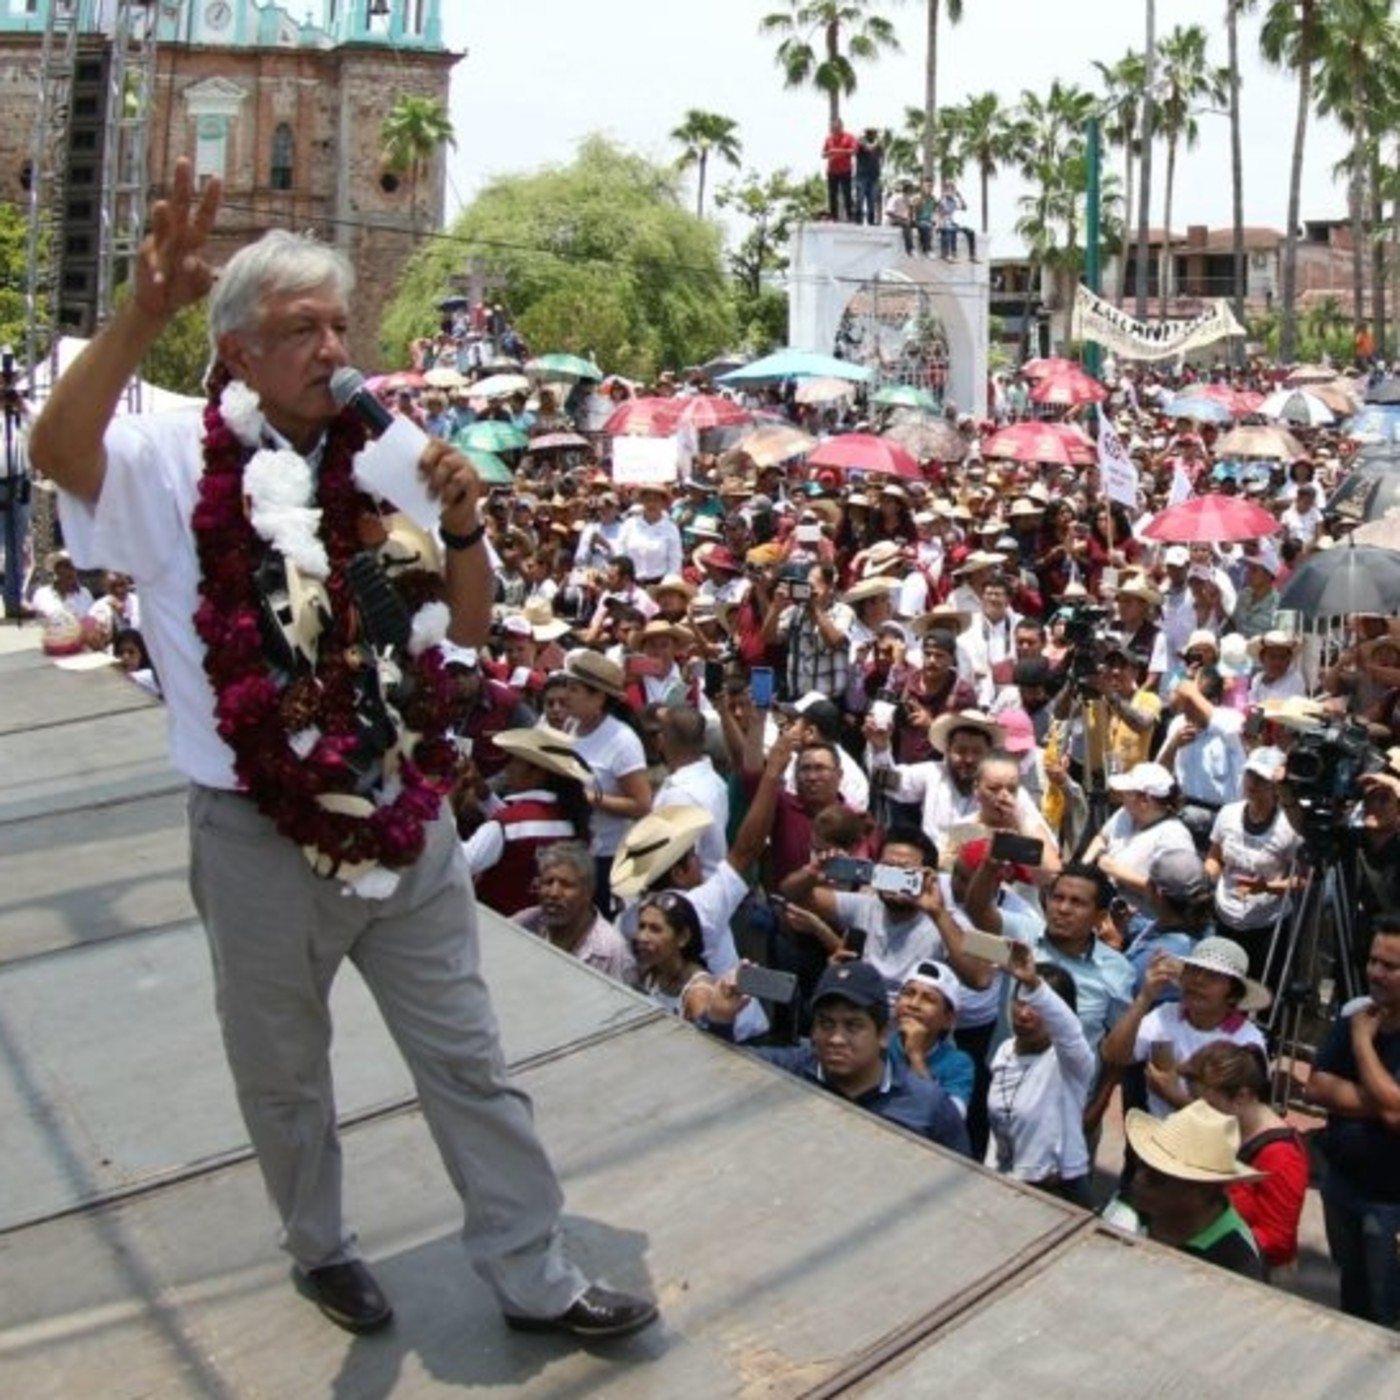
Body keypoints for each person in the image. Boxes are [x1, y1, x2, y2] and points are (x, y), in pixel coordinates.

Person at [28, 163, 657, 1341]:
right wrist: (137, 316)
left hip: (403, 818)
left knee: (470, 1060)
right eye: (298, 329)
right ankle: (320, 1247)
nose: (332, 347)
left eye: (336, 324)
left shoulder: (383, 454)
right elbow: (59, 457)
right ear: (235, 353)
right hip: (255, 835)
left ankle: (532, 1267)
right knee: (284, 1076)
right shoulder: (176, 458)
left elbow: (468, 624)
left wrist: (463, 521)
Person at [703, 959, 971, 1156]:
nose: (836, 1039)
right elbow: (718, 1072)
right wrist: (720, 1019)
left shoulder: (930, 1107)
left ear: (882, 1034)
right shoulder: (788, 1070)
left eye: (853, 1026)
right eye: (826, 1023)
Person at [1307, 917, 1400, 1325]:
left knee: (1387, 1310)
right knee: (1352, 1293)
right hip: (1342, 1185)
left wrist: (1363, 1044)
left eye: (1390, 966)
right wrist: (1381, 1100)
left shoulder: (1361, 1027)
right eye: (1373, 961)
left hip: (1390, 1203)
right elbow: (1317, 1087)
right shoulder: (1356, 1015)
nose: (1376, 973)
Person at [1101, 936, 1270, 1119]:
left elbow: (1238, 1119)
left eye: (1212, 976)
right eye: (1193, 970)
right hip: (1154, 1136)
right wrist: (1145, 997)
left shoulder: (1247, 1043)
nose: (1197, 980)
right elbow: (1114, 1055)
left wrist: (1174, 1096)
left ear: (1233, 994)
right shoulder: (1165, 1015)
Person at [1180, 1040, 1309, 1273]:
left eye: (1208, 1104)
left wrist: (1205, 1234)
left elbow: (1278, 1240)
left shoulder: (1282, 1156)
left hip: (1252, 1274)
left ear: (1242, 1096)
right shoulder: (1226, 1126)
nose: (1198, 1112)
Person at [986, 944, 1095, 1204]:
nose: (1024, 1014)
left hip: (1056, 1192)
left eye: (1036, 1005)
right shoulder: (1004, 1051)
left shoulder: (1071, 1061)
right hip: (1006, 1183)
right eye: (1019, 1001)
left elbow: (1069, 1031)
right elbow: (1001, 1124)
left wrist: (1034, 984)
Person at [1122, 1100, 1267, 1280]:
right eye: (1140, 1165)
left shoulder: (1239, 1264)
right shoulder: (1132, 1208)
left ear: (1200, 1192)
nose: (1138, 1179)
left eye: (1155, 1177)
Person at [459, 726, 594, 917]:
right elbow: (524, 824)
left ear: (537, 773)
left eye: (516, 762)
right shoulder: (573, 819)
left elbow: (461, 862)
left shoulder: (508, 825)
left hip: (496, 924)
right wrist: (485, 796)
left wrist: (446, 798)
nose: (508, 769)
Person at [515, 843, 639, 985]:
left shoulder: (612, 953)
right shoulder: (525, 924)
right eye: (548, 882)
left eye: (566, 884)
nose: (554, 893)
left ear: (588, 892)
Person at [634, 889, 716, 1021]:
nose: (642, 937)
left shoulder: (699, 994)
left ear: (683, 937)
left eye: (655, 929)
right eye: (642, 926)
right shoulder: (651, 975)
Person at [821, 117, 858, 222]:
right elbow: (823, 154)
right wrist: (829, 153)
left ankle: (850, 216)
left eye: (836, 126)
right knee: (832, 194)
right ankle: (834, 217)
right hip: (832, 171)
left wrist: (836, 151)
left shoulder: (849, 137)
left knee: (847, 193)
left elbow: (854, 151)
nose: (834, 129)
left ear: (841, 126)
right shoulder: (828, 139)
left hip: (845, 170)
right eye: (832, 127)